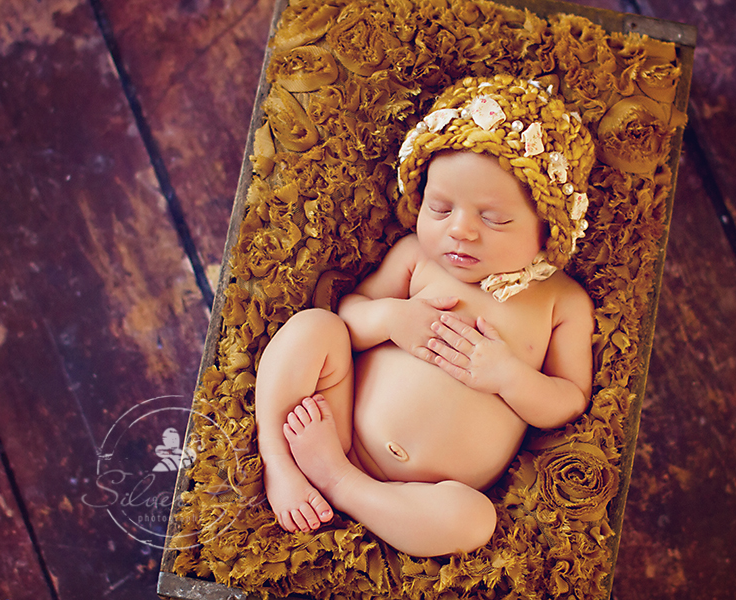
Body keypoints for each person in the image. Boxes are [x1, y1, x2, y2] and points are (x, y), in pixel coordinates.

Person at [255, 74, 596, 557]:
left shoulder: (562, 301)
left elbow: (569, 399)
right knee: (314, 328)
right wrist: (392, 318)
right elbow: (349, 317)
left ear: (549, 227)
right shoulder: (417, 256)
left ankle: (341, 482)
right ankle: (280, 464)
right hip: (341, 424)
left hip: (425, 498)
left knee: (475, 521)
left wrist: (509, 376)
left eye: (494, 219)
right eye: (439, 209)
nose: (461, 231)